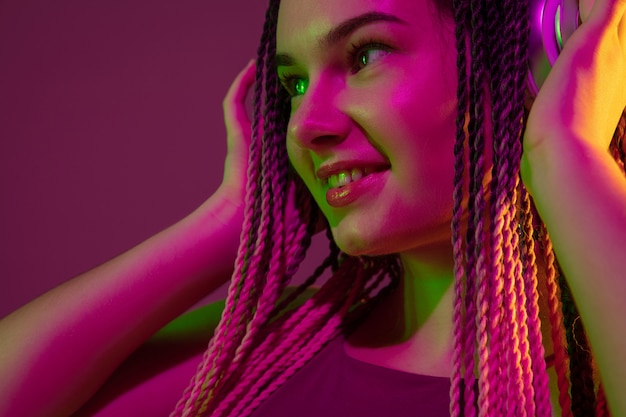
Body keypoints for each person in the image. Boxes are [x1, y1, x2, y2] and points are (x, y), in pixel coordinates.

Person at [1, 0, 625, 415]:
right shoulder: (266, 357)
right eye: (293, 84)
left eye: (364, 55)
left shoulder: (595, 370)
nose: (305, 126)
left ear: (540, 55)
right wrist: (228, 225)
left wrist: (566, 153)